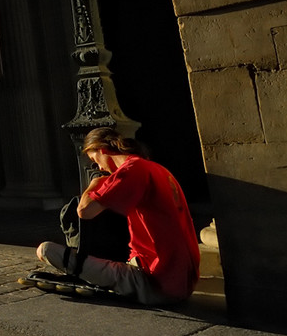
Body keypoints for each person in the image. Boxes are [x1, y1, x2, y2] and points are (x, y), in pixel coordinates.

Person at [35, 127, 200, 305]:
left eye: (94, 159)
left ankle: (90, 274)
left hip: (156, 282)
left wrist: (94, 184)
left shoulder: (132, 169)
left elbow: (85, 211)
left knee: (45, 250)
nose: (99, 167)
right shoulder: (156, 168)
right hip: (182, 281)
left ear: (102, 150)